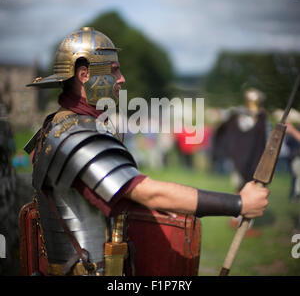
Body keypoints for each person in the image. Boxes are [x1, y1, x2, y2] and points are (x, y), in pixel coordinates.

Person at [22, 27, 269, 276]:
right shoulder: (76, 134)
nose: (122, 78)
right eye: (114, 70)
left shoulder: (57, 124)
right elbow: (149, 193)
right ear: (84, 75)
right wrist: (239, 203)